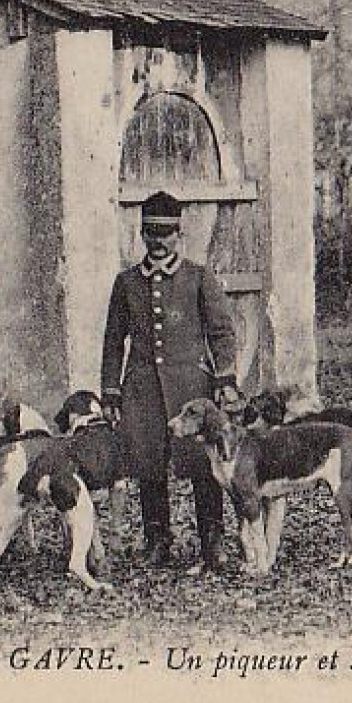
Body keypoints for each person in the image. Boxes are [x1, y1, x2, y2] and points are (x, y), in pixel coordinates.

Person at [101, 190, 240, 571]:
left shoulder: (198, 277)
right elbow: (114, 341)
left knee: (203, 464)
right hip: (142, 387)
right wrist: (111, 391)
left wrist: (225, 378)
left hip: (191, 387)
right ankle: (157, 540)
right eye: (150, 233)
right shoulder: (126, 283)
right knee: (148, 462)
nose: (158, 242)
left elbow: (222, 332)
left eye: (165, 233)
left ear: (179, 234)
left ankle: (213, 540)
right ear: (141, 235)